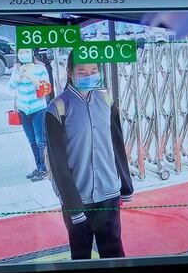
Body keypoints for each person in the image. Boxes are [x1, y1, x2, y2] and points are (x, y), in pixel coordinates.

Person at [45, 52, 133, 260]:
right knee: (81, 254)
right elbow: (57, 163)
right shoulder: (58, 108)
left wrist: (125, 186)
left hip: (108, 191)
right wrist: (73, 205)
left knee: (114, 252)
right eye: (82, 72)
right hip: (78, 195)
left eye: (93, 71)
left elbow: (117, 144)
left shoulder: (106, 99)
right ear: (70, 73)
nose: (89, 76)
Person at [8, 48, 51, 181]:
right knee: (32, 140)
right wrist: (19, 76)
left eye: (26, 52)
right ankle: (38, 167)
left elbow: (45, 87)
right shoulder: (16, 68)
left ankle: (44, 169)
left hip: (38, 109)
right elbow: (10, 86)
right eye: (20, 52)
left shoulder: (40, 68)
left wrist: (31, 77)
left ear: (32, 53)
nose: (23, 55)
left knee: (41, 141)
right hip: (23, 110)